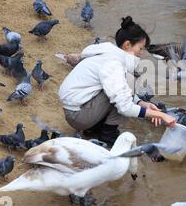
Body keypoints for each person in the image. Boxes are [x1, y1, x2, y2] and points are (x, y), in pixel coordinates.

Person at [59, 16, 176, 146]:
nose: (141, 53)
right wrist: (160, 115)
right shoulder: (113, 64)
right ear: (127, 45)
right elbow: (125, 107)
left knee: (122, 87)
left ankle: (95, 128)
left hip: (76, 108)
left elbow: (118, 91)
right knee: (129, 81)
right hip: (78, 115)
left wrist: (142, 103)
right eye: (140, 48)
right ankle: (108, 135)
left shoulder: (108, 54)